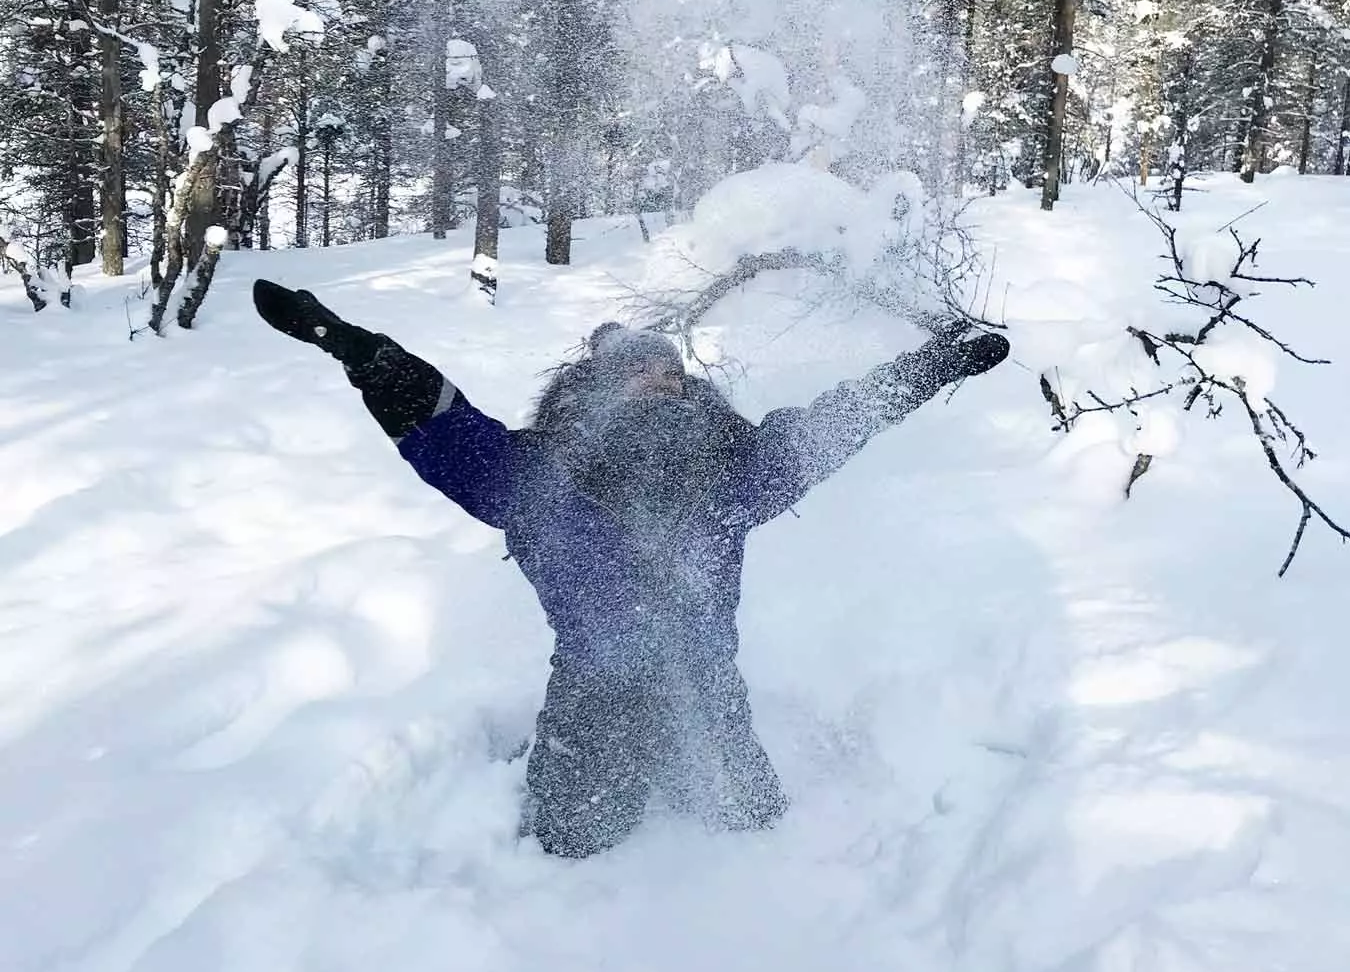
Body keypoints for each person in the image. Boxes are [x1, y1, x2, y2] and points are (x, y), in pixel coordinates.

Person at [252, 279, 1009, 858]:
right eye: (640, 373)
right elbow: (444, 424)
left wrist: (933, 364)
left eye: (671, 374)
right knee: (573, 842)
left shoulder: (733, 468)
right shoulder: (539, 477)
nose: (661, 383)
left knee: (749, 821)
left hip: (706, 686)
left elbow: (835, 424)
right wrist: (353, 346)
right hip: (596, 692)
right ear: (599, 387)